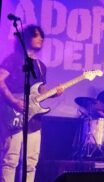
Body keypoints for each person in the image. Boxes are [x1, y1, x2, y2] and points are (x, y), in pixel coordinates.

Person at [0, 24, 63, 182]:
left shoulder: (41, 66)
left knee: (30, 162)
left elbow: (41, 93)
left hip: (34, 119)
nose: (40, 38)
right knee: (10, 160)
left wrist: (54, 94)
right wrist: (14, 101)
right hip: (14, 114)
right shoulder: (14, 59)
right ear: (26, 38)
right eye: (36, 35)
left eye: (42, 36)